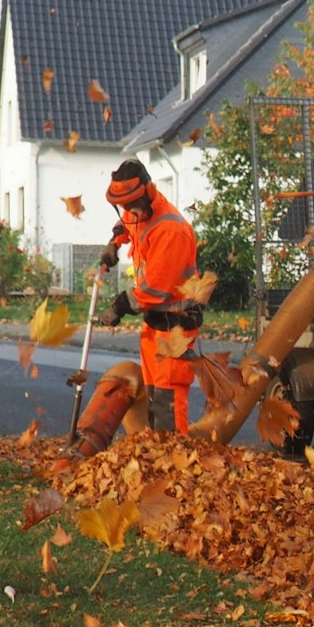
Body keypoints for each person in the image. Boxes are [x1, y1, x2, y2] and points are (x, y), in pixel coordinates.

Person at [97, 160, 202, 433]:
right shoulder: (139, 211)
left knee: (168, 397)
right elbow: (128, 225)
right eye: (124, 205)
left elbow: (155, 289)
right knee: (155, 393)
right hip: (155, 322)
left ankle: (175, 457)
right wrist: (114, 243)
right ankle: (158, 451)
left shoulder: (170, 230)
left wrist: (120, 305)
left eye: (132, 204)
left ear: (149, 191)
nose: (129, 211)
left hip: (176, 324)